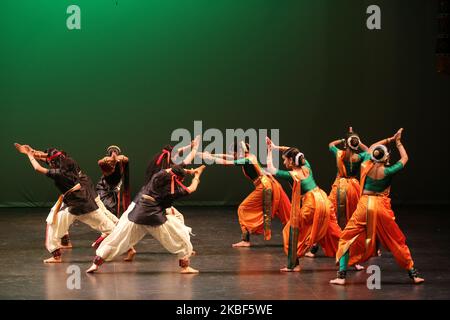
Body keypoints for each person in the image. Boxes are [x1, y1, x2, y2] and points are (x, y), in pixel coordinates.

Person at [329, 129, 425, 285]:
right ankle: (413, 273)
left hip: (364, 205)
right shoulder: (388, 171)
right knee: (395, 240)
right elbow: (405, 158)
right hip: (381, 206)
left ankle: (341, 277)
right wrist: (397, 142)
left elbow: (372, 146)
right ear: (386, 157)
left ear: (373, 156)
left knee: (346, 237)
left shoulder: (366, 164)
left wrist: (384, 139)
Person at [86, 164, 206, 274]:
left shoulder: (158, 176)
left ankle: (96, 264)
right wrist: (197, 176)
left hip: (137, 214)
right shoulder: (172, 191)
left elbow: (171, 170)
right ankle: (185, 267)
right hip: (154, 218)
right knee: (181, 237)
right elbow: (191, 188)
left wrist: (190, 171)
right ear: (177, 179)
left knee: (117, 239)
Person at [14, 143, 117, 263]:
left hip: (79, 205)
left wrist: (29, 155)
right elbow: (48, 157)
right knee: (53, 220)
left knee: (53, 223)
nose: (49, 162)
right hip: (79, 203)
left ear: (55, 163)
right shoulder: (68, 163)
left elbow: (38, 168)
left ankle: (57, 253)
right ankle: (61, 247)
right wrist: (31, 151)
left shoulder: (59, 173)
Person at [266, 138, 341, 272]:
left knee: (291, 231)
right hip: (324, 199)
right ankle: (353, 260)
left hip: (311, 204)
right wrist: (277, 147)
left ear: (291, 161)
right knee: (334, 232)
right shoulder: (306, 165)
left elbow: (271, 169)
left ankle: (294, 264)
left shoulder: (293, 174)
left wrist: (270, 151)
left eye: (285, 160)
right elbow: (296, 152)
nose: (284, 162)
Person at [201, 142, 291, 247]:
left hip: (264, 186)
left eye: (234, 153)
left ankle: (246, 240)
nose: (233, 156)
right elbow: (227, 157)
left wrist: (210, 158)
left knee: (242, 208)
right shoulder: (247, 156)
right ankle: (295, 233)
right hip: (265, 185)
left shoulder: (247, 160)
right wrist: (210, 155)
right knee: (281, 213)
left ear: (239, 152)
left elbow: (227, 162)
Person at [96, 145, 130, 218]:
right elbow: (100, 162)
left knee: (113, 209)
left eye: (115, 151)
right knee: (105, 208)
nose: (113, 153)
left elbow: (126, 159)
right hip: (104, 187)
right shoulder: (106, 160)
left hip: (114, 187)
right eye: (112, 151)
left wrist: (118, 158)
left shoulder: (121, 161)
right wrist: (111, 159)